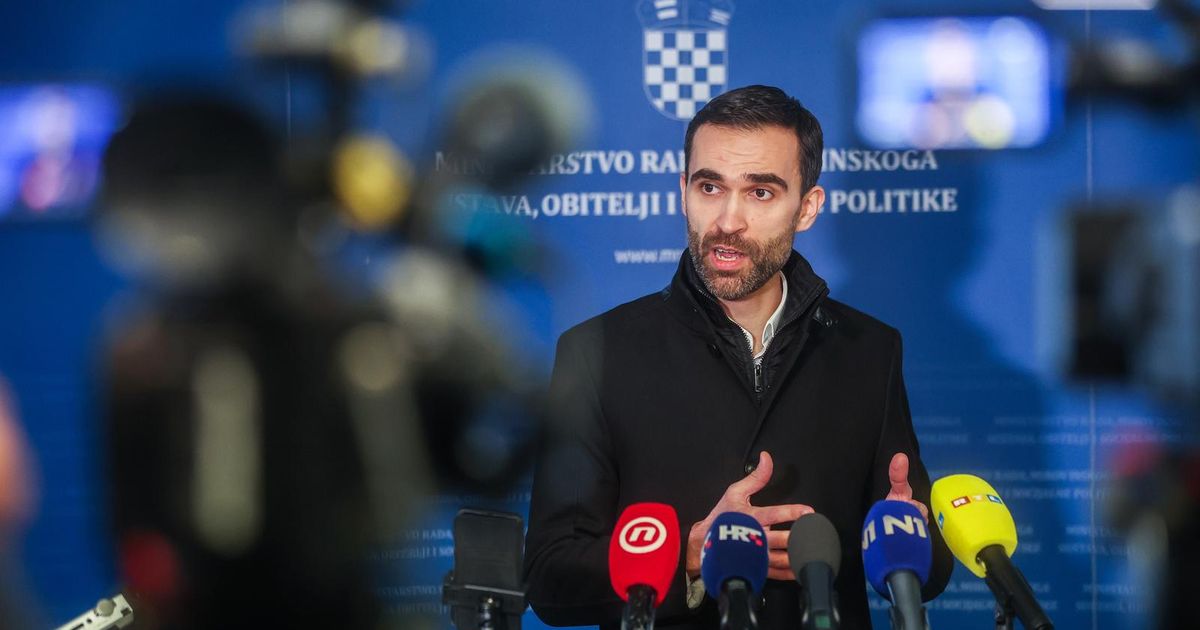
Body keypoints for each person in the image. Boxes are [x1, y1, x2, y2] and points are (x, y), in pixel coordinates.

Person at [524, 85, 953, 629]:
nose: (728, 221)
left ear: (807, 207)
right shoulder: (595, 352)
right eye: (710, 187)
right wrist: (687, 556)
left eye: (761, 192)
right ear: (683, 191)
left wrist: (915, 538)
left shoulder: (870, 349)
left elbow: (927, 575)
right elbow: (550, 577)